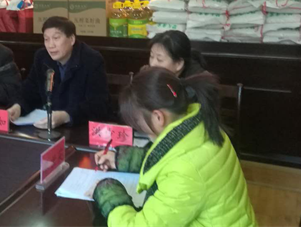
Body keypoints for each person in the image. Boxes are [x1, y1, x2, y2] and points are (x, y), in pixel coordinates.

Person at [93, 68, 256, 227]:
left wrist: (107, 192)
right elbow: (171, 158)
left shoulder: (186, 173)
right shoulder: (201, 126)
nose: (138, 128)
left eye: (137, 123)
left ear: (158, 117)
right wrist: (119, 159)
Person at [7, 16, 109, 128]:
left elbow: (98, 104)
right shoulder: (42, 57)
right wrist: (18, 106)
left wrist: (66, 116)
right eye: (46, 39)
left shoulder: (91, 60)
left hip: (79, 128)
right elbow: (30, 89)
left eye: (56, 38)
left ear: (71, 39)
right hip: (46, 125)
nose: (51, 45)